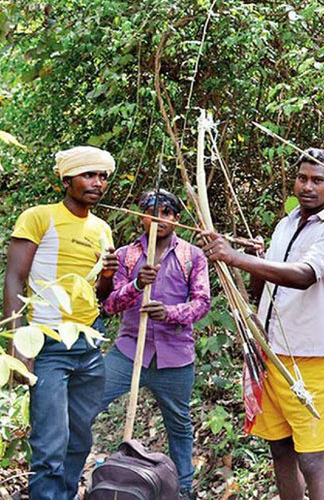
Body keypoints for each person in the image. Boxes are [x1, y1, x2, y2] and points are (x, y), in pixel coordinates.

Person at [201, 150, 324, 500]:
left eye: (318, 180)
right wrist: (255, 260)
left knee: (312, 459)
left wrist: (235, 256)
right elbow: (263, 289)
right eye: (302, 178)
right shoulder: (287, 223)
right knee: (280, 451)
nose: (308, 187)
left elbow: (303, 276)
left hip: (309, 360)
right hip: (271, 356)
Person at [3, 146, 118, 500]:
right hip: (47, 342)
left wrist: (109, 275)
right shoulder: (39, 217)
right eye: (88, 175)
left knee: (79, 439)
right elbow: (14, 279)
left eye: (102, 177)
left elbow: (100, 294)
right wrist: (19, 344)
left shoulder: (102, 229)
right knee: (50, 444)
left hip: (88, 344)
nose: (97, 183)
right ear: (67, 179)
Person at [98, 189, 210, 499]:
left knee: (179, 425)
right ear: (141, 216)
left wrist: (169, 313)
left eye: (166, 212)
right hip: (129, 351)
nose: (158, 218)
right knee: (91, 403)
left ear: (176, 218)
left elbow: (202, 303)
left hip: (175, 357)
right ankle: (105, 478)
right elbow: (109, 305)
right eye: (151, 211)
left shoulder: (192, 256)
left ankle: (183, 489)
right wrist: (136, 285)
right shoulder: (127, 255)